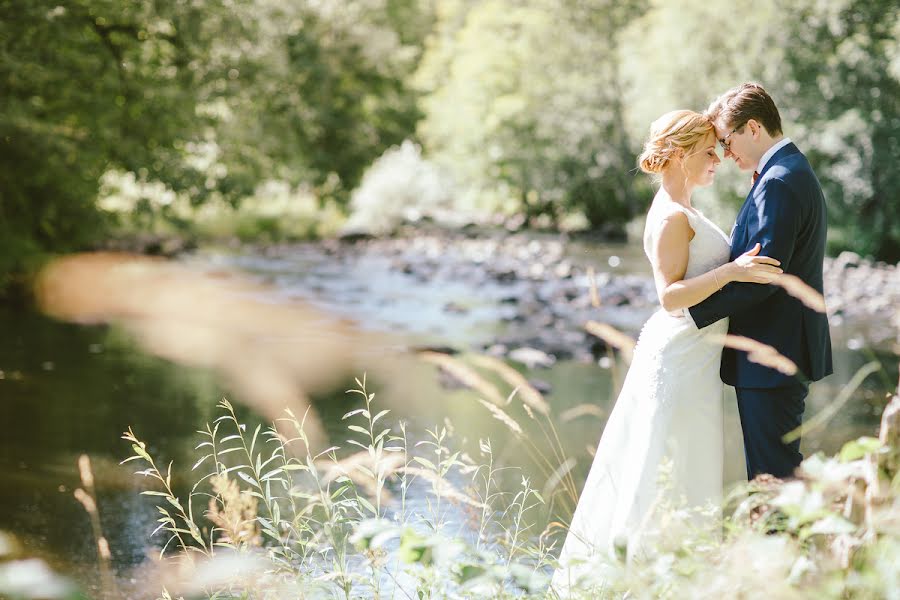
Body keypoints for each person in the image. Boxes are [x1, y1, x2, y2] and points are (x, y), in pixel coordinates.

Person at [551, 109, 782, 593]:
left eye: (719, 150)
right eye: (707, 152)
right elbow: (670, 297)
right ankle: (648, 579)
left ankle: (680, 576)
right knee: (667, 463)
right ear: (678, 155)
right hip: (680, 354)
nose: (718, 159)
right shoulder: (672, 216)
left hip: (696, 356)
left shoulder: (686, 208)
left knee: (683, 460)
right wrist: (732, 272)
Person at [686, 83, 833, 480]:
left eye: (726, 140)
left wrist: (689, 313)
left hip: (774, 352)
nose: (724, 152)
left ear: (752, 128)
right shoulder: (782, 172)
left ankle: (780, 544)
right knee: (775, 474)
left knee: (772, 478)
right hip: (777, 350)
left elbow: (764, 276)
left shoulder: (779, 181)